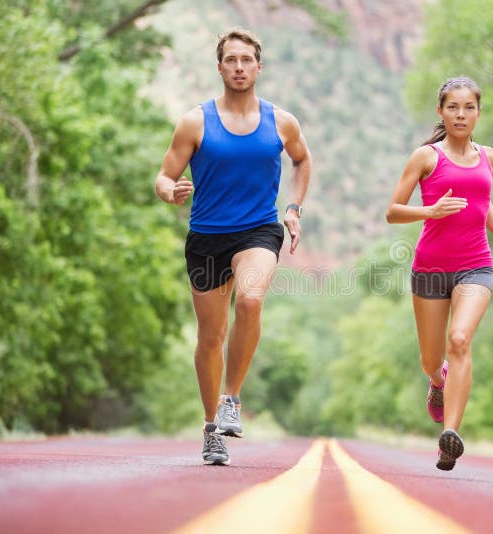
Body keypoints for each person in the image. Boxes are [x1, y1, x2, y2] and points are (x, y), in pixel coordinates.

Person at [155, 27, 311, 466]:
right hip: (206, 236)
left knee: (251, 299)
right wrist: (169, 191)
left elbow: (302, 160)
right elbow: (164, 174)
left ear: (259, 67)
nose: (239, 67)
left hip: (259, 230)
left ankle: (232, 399)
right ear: (220, 66)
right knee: (210, 337)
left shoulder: (281, 122)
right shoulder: (194, 121)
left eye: (247, 60)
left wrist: (294, 208)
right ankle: (211, 429)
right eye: (231, 60)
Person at [385, 76, 493, 471]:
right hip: (429, 267)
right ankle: (437, 382)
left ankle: (451, 436)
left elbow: (483, 201)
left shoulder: (489, 158)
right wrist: (428, 211)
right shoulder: (426, 157)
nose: (461, 114)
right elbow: (393, 211)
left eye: (469, 107)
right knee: (432, 359)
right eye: (453, 107)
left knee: (460, 340)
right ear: (441, 111)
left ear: (479, 112)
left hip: (476, 264)